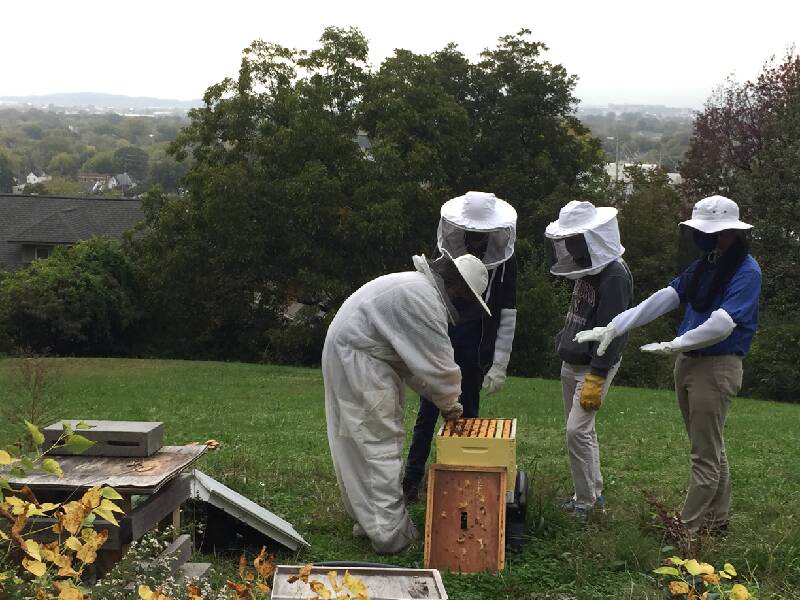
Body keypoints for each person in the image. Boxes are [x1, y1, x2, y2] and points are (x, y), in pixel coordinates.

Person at [575, 195, 761, 535]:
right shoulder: (708, 263)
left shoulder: (747, 271)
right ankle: (717, 522)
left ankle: (684, 531)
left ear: (729, 233)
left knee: (703, 456)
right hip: (690, 363)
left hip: (717, 366)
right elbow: (667, 296)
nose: (703, 238)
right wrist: (616, 325)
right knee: (708, 446)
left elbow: (723, 323)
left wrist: (677, 343)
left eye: (711, 232)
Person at [323, 253, 491, 553]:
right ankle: (390, 537)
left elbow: (416, 366)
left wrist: (444, 401)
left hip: (356, 356)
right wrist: (452, 407)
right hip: (361, 361)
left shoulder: (415, 289)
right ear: (459, 290)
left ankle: (370, 520)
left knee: (359, 440)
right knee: (378, 444)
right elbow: (440, 367)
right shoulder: (424, 301)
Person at [402, 191, 518, 502]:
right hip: (443, 343)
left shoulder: (507, 261)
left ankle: (464, 483)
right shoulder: (446, 253)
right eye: (471, 232)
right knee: (428, 413)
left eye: (482, 233)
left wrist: (500, 362)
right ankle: (411, 482)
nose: (476, 237)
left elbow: (508, 310)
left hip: (476, 350)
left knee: (468, 420)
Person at [545, 200, 633, 518]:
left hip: (593, 367)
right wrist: (563, 338)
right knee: (584, 431)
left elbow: (615, 330)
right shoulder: (587, 268)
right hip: (573, 361)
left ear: (591, 238)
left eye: (573, 239)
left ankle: (585, 503)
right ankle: (592, 493)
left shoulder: (614, 275)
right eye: (565, 239)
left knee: (576, 431)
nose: (568, 246)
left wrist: (597, 373)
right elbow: (581, 312)